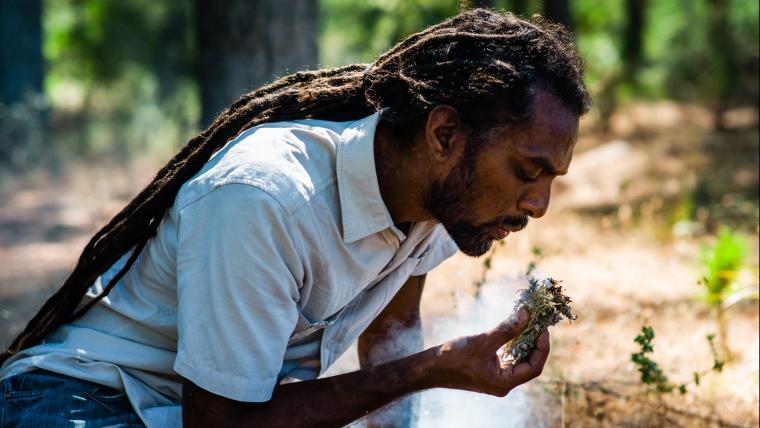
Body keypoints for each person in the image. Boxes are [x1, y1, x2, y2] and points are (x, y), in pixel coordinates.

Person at [0, 9, 590, 428]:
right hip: (81, 401)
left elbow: (390, 333)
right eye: (525, 171)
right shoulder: (266, 200)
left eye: (550, 182)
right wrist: (431, 370)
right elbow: (223, 425)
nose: (537, 206)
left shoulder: (435, 203)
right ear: (444, 134)